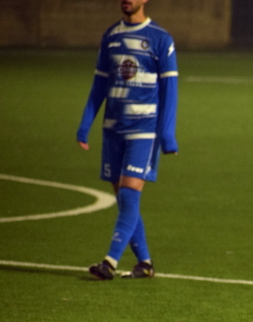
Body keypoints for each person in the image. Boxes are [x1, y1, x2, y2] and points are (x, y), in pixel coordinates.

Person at [78, 0, 178, 280]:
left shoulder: (160, 39)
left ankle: (109, 262)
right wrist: (85, 125)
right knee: (125, 201)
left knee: (129, 195)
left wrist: (167, 134)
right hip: (113, 129)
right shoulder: (111, 36)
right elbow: (100, 83)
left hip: (144, 130)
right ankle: (144, 263)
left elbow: (170, 88)